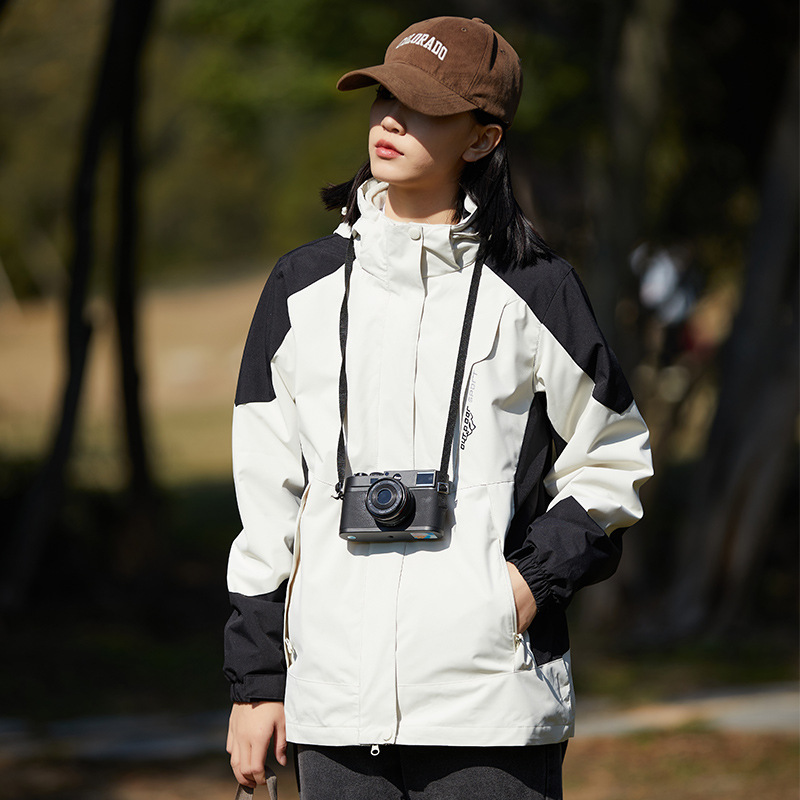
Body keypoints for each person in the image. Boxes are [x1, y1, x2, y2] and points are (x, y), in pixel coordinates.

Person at [224, 16, 652, 800]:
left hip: (490, 708)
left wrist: (523, 588)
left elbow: (615, 456)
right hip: (335, 710)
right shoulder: (300, 289)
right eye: (385, 95)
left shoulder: (536, 290)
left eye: (422, 106)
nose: (389, 118)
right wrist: (256, 682)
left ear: (483, 140)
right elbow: (264, 499)